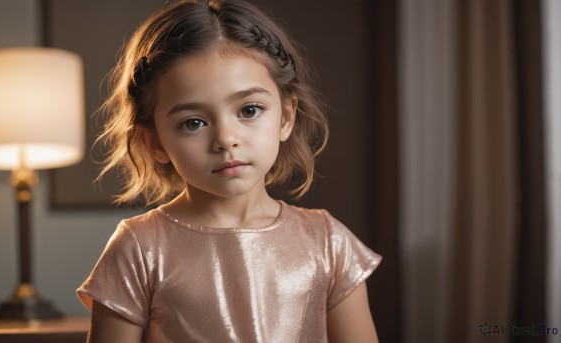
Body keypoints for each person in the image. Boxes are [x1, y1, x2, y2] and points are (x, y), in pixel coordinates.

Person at [77, 0, 381, 342]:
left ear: (285, 116)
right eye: (193, 122)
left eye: (249, 110)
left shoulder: (329, 243)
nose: (225, 139)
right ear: (155, 143)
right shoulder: (139, 249)